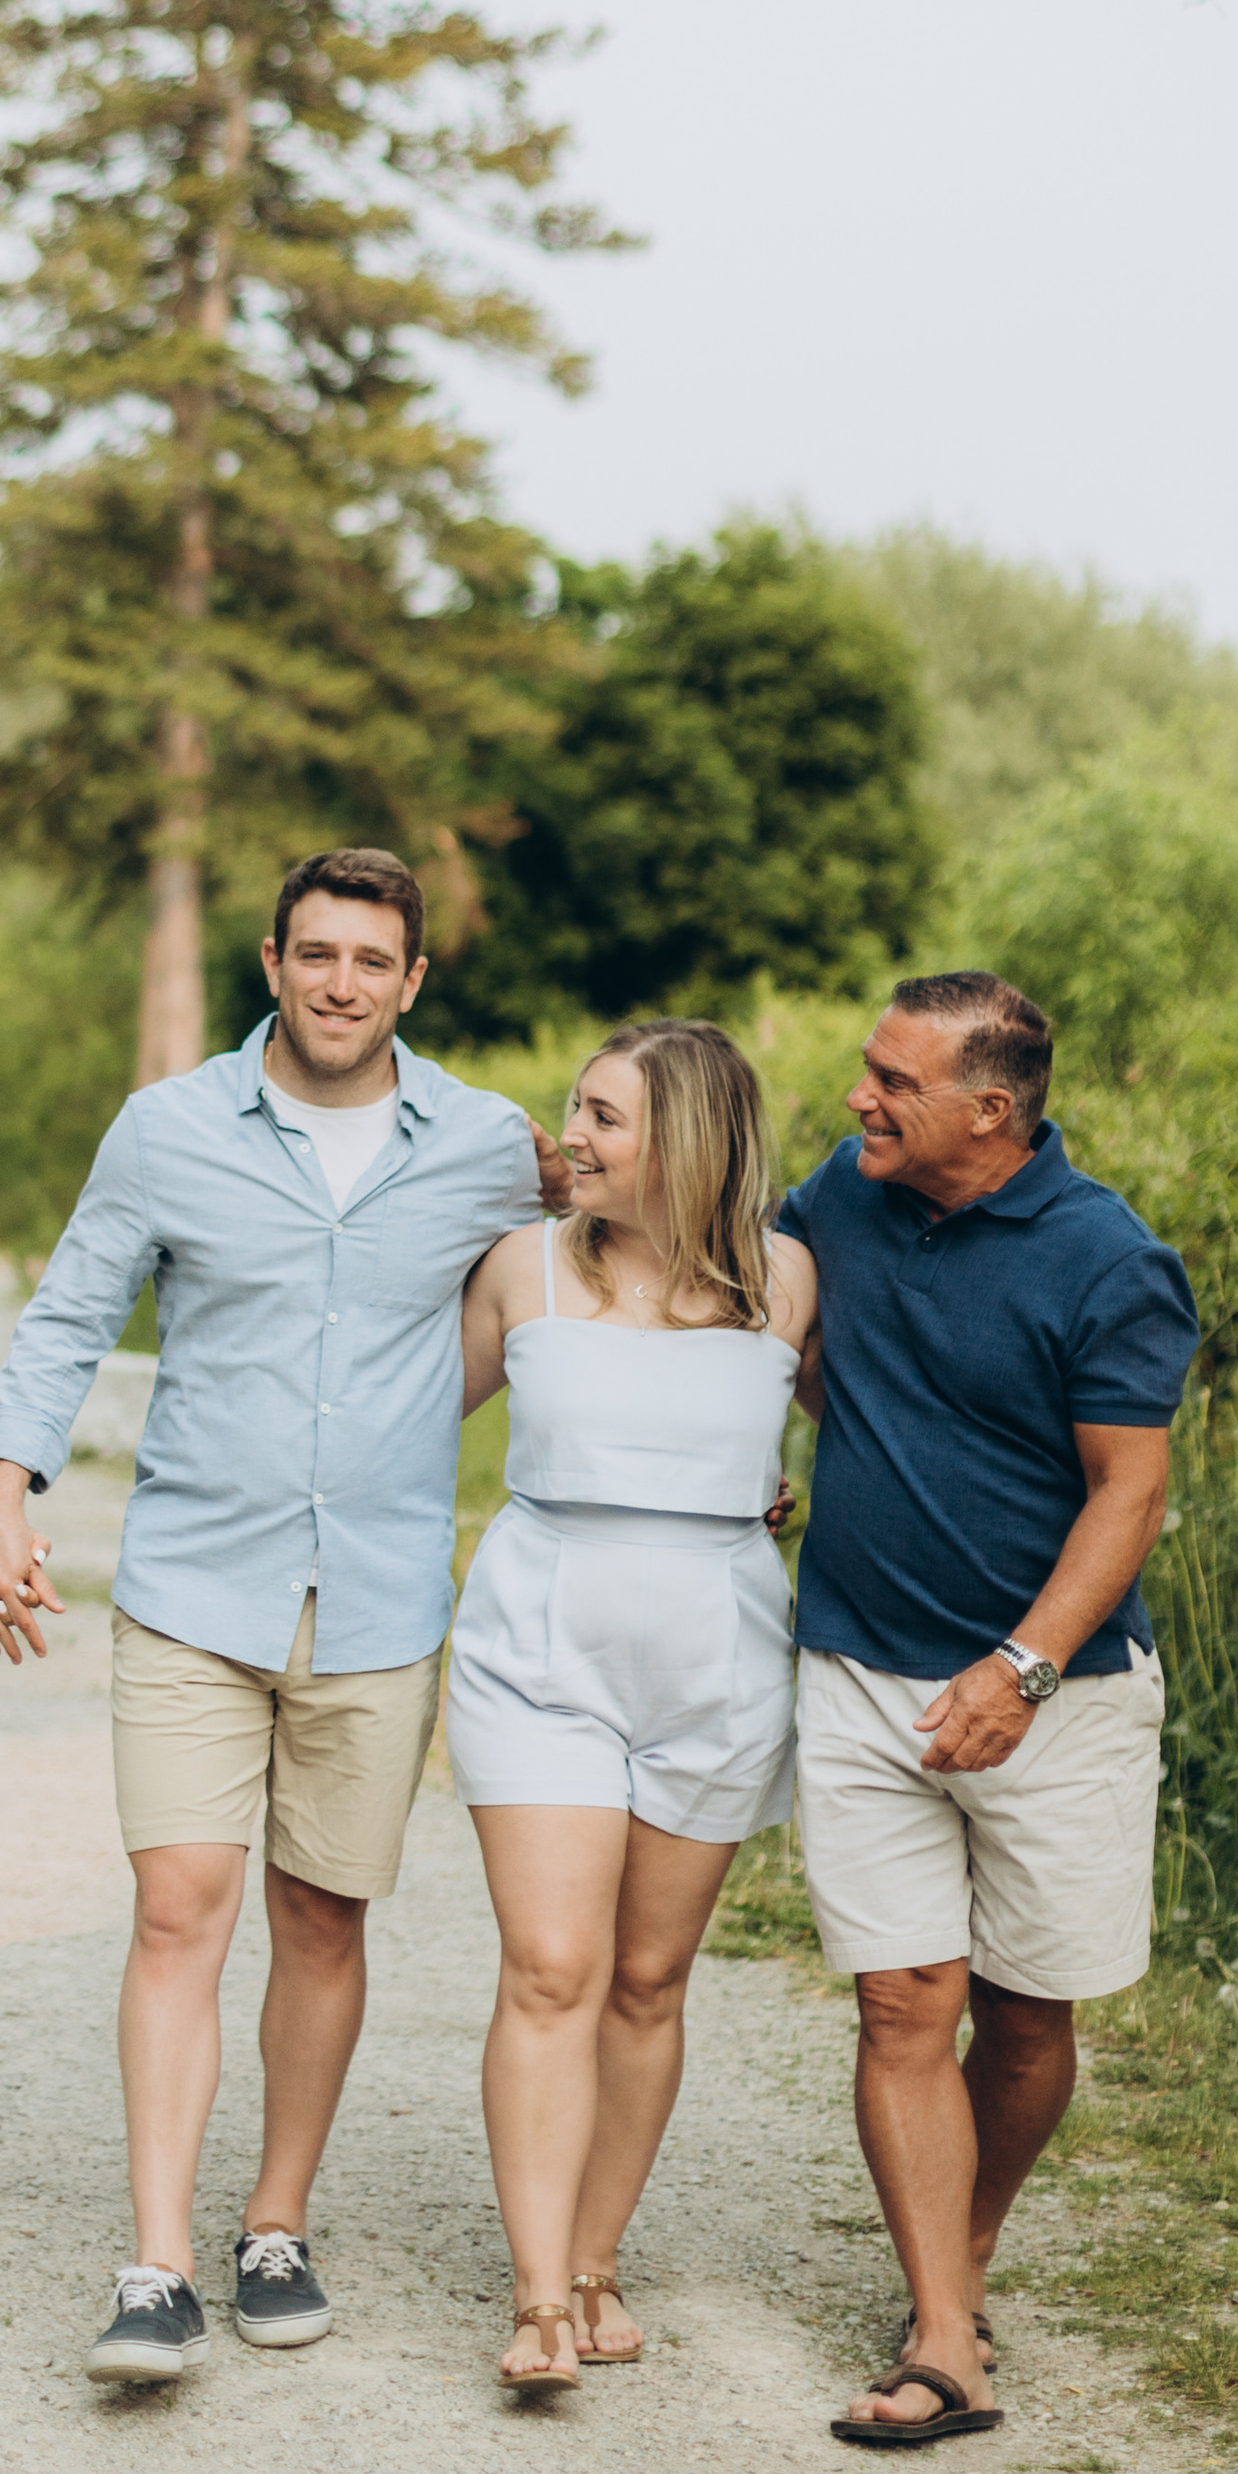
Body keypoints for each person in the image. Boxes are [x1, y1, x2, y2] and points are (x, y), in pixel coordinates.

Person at [0, 847, 572, 2385]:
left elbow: (627, 1250)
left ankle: (274, 2222)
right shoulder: (168, 1132)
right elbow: (71, 1312)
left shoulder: (490, 1145)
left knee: (323, 1917)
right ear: (271, 960)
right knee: (180, 1910)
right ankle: (157, 2264)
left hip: (377, 1601)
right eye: (316, 954)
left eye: (372, 961)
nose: (341, 984)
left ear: (413, 982)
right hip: (192, 1588)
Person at [777, 970, 1199, 2449]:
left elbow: (1127, 1493)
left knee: (1025, 2021)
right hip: (860, 1666)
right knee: (902, 1999)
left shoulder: (1109, 1262)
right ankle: (945, 2336)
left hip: (1056, 1698)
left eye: (892, 1081)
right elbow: (748, 1301)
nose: (857, 1102)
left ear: (991, 1109)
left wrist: (1020, 1669)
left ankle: (967, 2252)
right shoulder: (846, 1187)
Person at [447, 1020, 811, 2393]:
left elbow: (885, 1431)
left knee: (649, 1980)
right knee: (552, 1965)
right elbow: (397, 1424)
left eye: (604, 1118)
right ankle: (538, 2298)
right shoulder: (520, 1268)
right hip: (541, 1646)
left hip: (718, 1656)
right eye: (575, 1109)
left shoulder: (788, 1280)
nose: (573, 1139)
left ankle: (599, 2260)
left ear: (693, 1141)